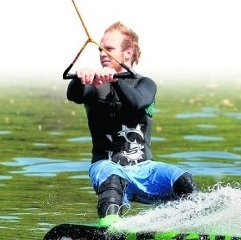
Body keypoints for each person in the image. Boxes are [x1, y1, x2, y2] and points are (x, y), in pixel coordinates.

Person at [67, 21, 197, 226]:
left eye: (108, 49)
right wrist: (80, 79)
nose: (102, 54)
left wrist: (115, 81)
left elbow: (137, 103)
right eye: (100, 49)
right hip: (106, 166)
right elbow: (74, 95)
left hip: (145, 169)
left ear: (127, 53)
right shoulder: (94, 85)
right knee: (111, 177)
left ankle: (192, 226)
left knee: (183, 180)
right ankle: (110, 225)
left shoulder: (146, 84)